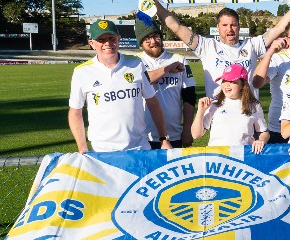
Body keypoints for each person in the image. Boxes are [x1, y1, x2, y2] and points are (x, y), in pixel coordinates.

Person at [141, 0, 290, 98]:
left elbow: (278, 28)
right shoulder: (207, 46)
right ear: (218, 27)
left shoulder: (252, 45)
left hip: (249, 118)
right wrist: (154, 3)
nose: (229, 29)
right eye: (225, 25)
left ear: (238, 27)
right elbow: (176, 27)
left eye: (233, 25)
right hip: (218, 118)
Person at [68, 20, 172, 153]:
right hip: (102, 151)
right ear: (92, 44)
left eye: (111, 38)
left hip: (139, 148)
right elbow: (75, 112)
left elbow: (152, 102)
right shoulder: (82, 72)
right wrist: (82, 147)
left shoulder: (136, 64)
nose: (108, 43)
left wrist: (163, 138)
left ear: (118, 39)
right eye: (101, 40)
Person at [134, 16, 196, 148]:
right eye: (147, 38)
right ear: (140, 42)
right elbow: (143, 79)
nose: (153, 42)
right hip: (143, 137)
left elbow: (189, 99)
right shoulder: (134, 63)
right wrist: (166, 69)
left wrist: (187, 130)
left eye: (156, 36)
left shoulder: (180, 59)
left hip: (174, 136)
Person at [252, 20, 290, 143]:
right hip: (280, 129)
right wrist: (269, 53)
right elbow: (257, 83)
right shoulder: (279, 59)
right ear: (287, 40)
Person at [192, 64, 269, 154]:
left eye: (232, 81)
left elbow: (263, 132)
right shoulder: (214, 104)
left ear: (243, 84)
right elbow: (196, 135)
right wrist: (200, 111)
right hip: (216, 158)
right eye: (224, 81)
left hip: (243, 158)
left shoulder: (254, 105)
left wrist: (261, 140)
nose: (226, 85)